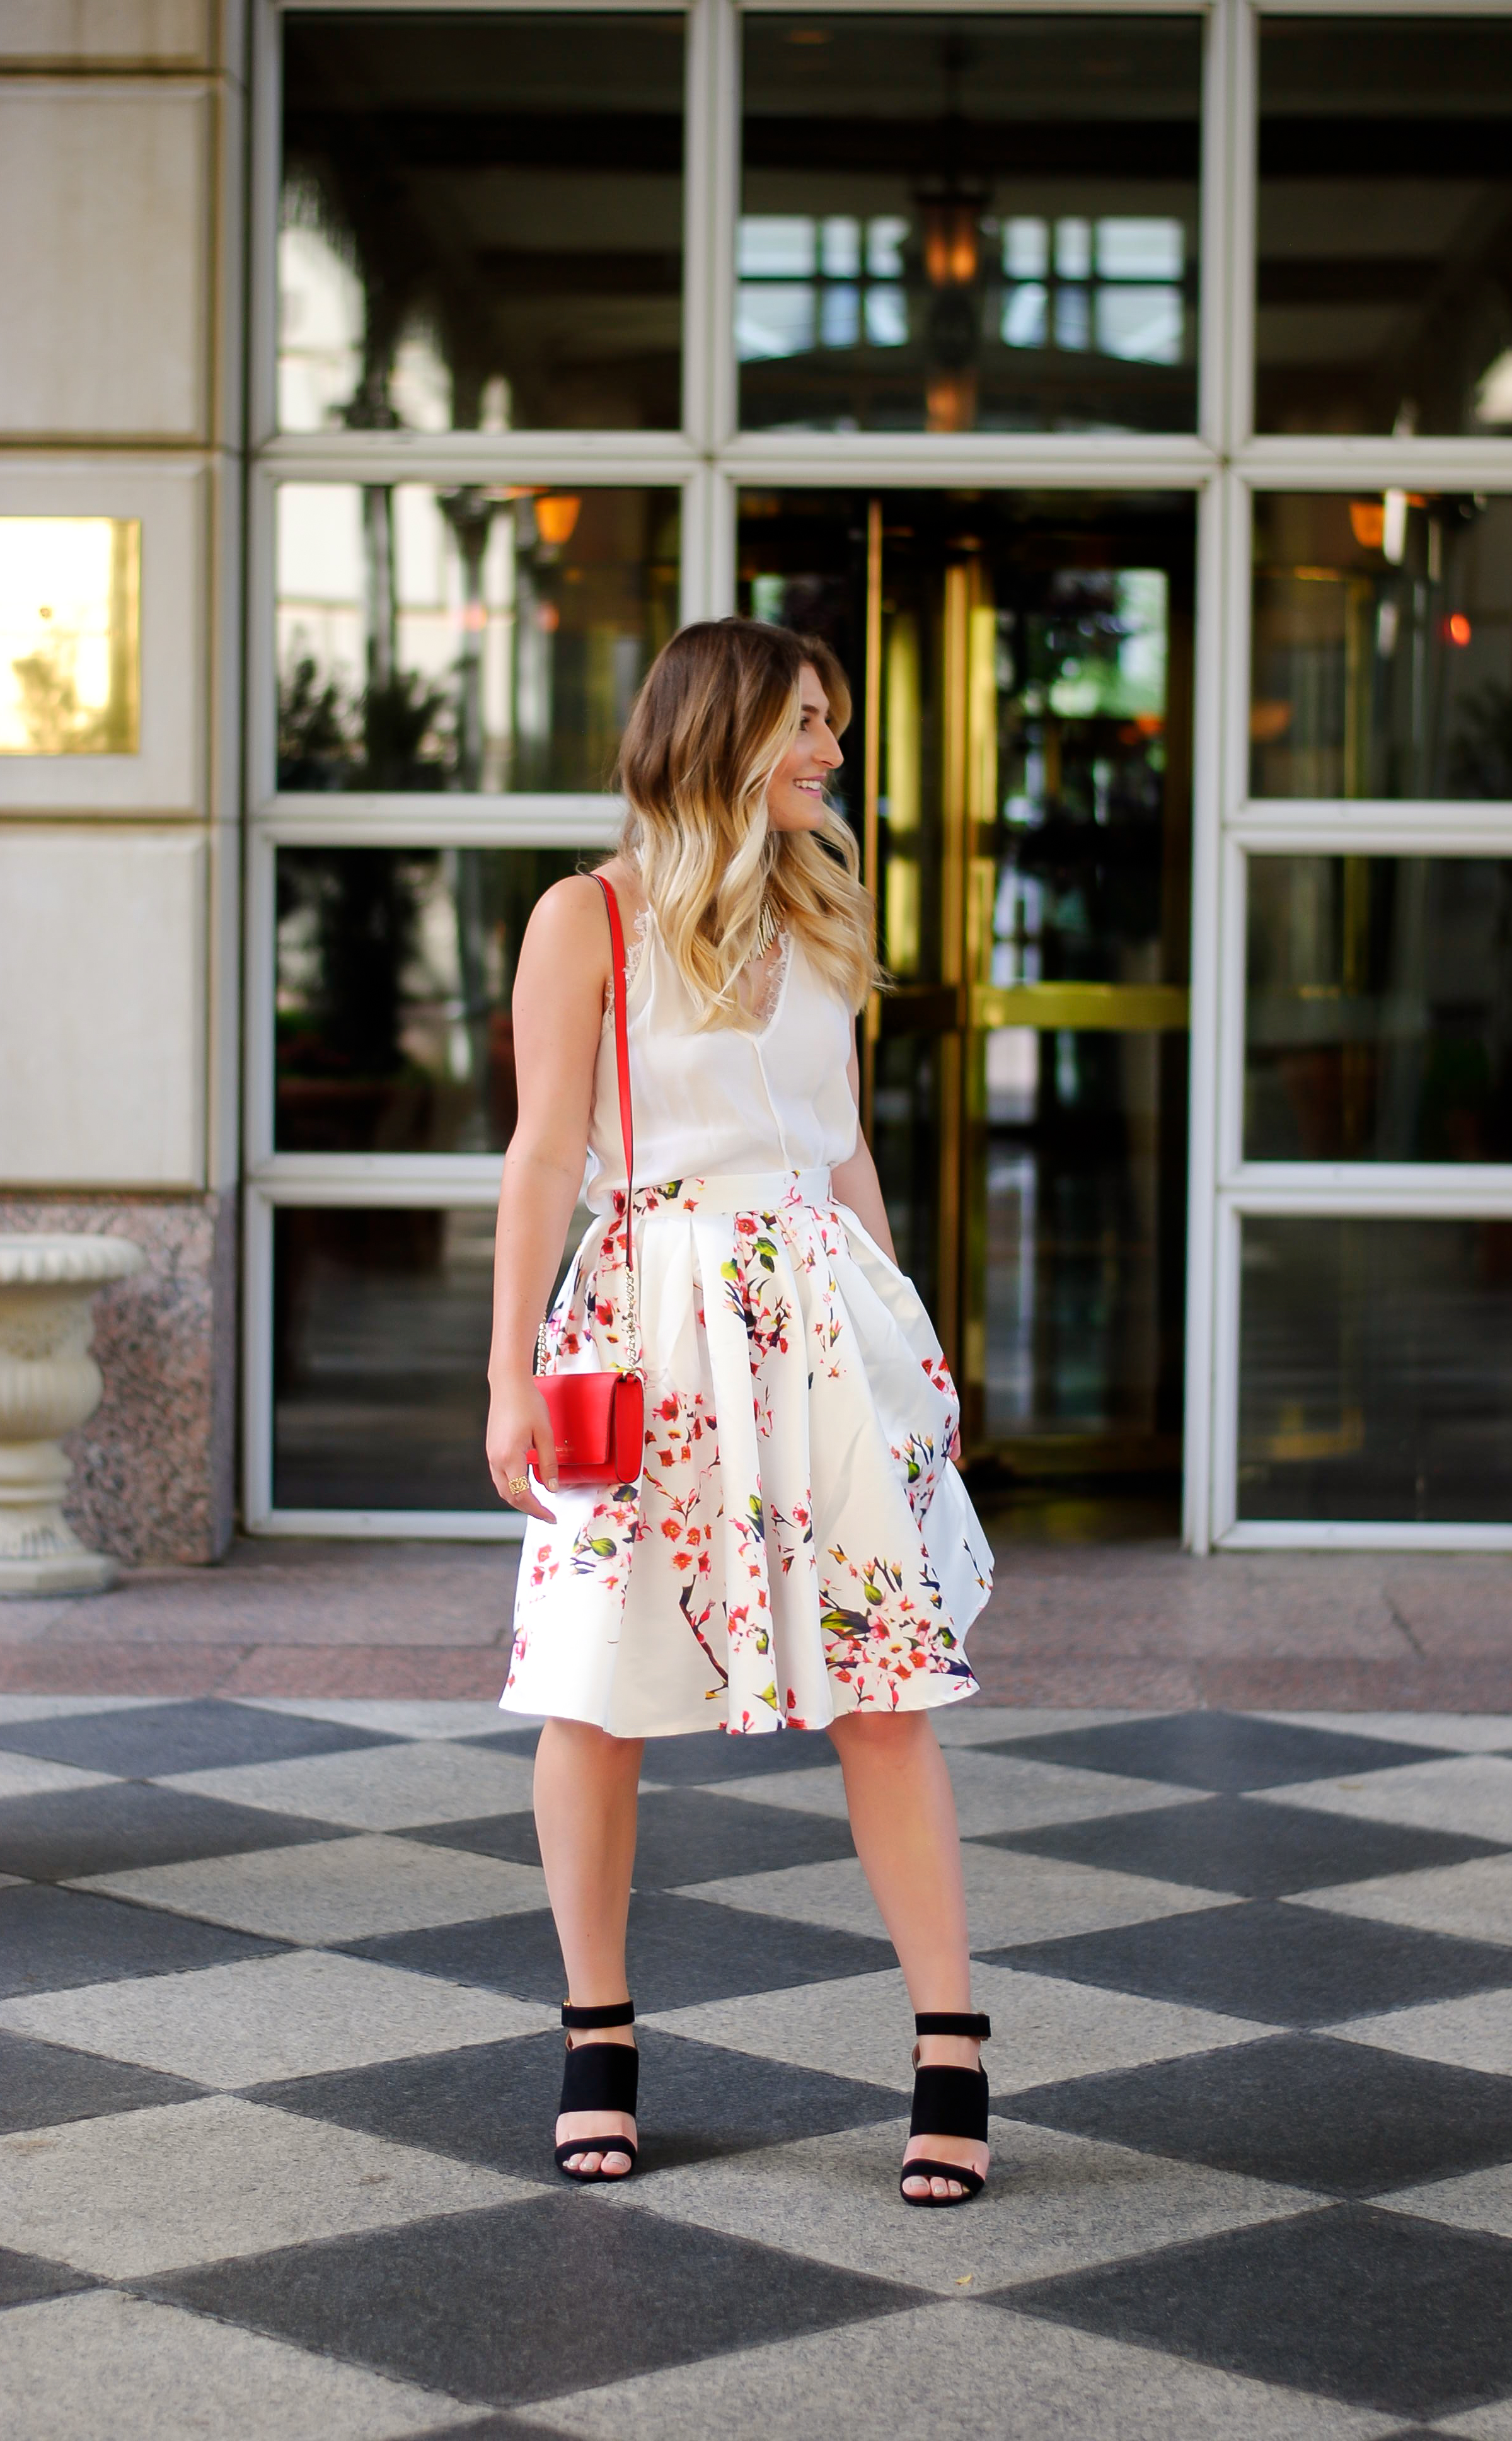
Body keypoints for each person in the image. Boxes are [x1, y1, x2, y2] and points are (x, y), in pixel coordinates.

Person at [485, 618, 995, 2206]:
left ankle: (952, 2040)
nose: (832, 753)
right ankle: (598, 2038)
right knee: (596, 1688)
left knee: (887, 1692)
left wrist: (909, 1343)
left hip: (824, 1326)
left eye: (833, 724)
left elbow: (842, 1155)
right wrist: (509, 1369)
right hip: (644, 1318)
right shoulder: (590, 918)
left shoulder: (824, 913)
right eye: (807, 725)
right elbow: (542, 1156)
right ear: (722, 734)